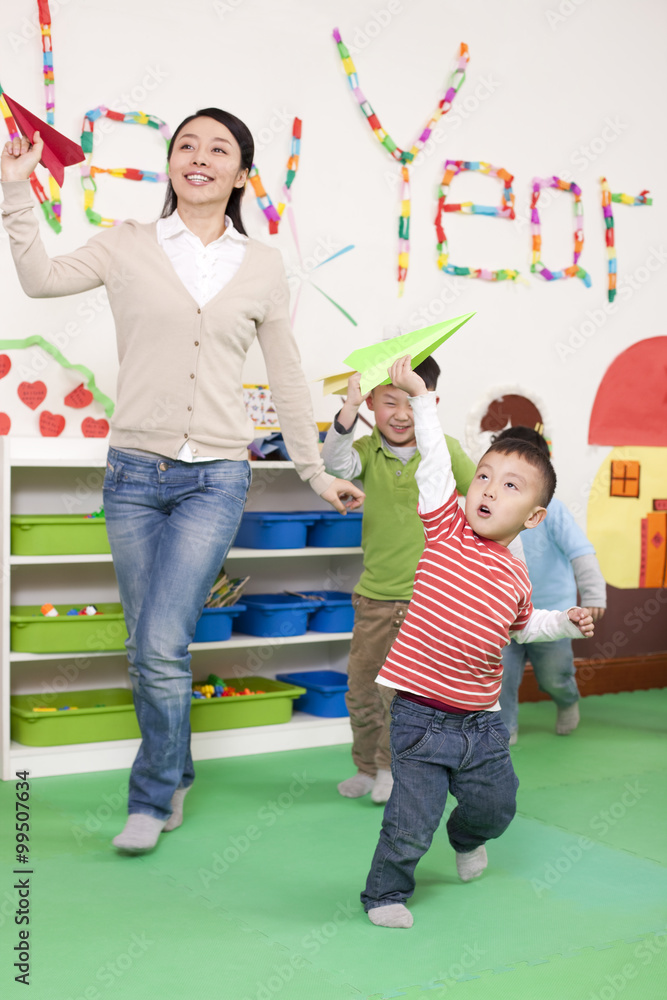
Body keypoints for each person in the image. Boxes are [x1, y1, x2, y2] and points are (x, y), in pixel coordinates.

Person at [1, 108, 364, 854]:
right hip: (134, 472)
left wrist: (314, 473)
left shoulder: (260, 265)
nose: (199, 157)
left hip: (217, 479)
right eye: (186, 146)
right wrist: (16, 192)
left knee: (162, 641)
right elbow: (38, 280)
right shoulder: (126, 245)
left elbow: (288, 378)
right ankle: (176, 767)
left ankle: (150, 794)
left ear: (241, 174)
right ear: (171, 164)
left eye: (218, 148)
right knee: (147, 645)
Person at [361, 356, 594, 928]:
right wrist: (420, 399)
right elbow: (436, 464)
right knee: (411, 818)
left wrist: (564, 621)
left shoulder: (516, 574)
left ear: (534, 516)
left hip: (482, 725)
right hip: (419, 716)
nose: (488, 489)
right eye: (484, 476)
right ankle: (386, 893)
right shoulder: (444, 530)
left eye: (509, 486)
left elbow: (523, 626)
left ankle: (467, 837)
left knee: (498, 805)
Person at [321, 358, 476, 803]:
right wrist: (347, 409)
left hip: (428, 604)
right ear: (373, 403)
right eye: (390, 402)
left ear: (431, 403)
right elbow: (334, 462)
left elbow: (483, 490)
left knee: (402, 698)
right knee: (362, 691)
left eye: (412, 402)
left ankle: (391, 768)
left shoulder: (443, 449)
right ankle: (366, 767)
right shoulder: (368, 450)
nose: (402, 414)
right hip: (373, 601)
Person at [492, 426, 606, 743]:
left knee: (555, 676)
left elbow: (580, 551)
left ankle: (567, 700)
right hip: (504, 617)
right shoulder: (490, 510)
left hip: (553, 614)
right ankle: (506, 726)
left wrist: (594, 594)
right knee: (502, 677)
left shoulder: (552, 511)